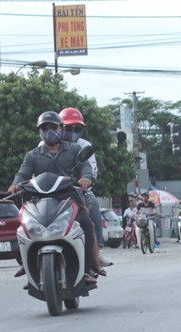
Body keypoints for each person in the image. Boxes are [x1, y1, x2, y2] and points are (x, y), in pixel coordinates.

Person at [9, 111, 99, 283]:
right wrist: (15, 184)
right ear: (39, 131)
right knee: (22, 227)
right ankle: (27, 264)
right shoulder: (32, 155)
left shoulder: (74, 150)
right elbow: (22, 174)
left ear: (61, 128)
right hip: (39, 202)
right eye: (44, 127)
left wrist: (86, 178)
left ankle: (87, 269)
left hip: (69, 198)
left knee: (86, 224)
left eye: (53, 127)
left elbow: (86, 168)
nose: (49, 130)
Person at [59, 107, 111, 267]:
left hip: (77, 191)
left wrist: (86, 179)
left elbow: (90, 169)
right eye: (68, 128)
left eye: (77, 129)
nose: (72, 132)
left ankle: (97, 250)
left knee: (93, 205)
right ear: (59, 128)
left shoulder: (83, 146)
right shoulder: (44, 146)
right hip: (51, 192)